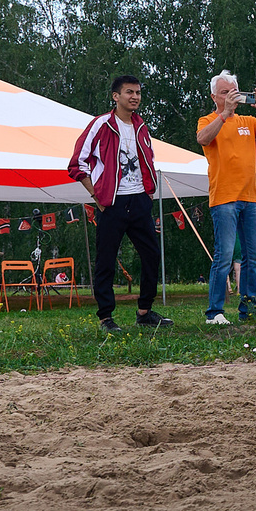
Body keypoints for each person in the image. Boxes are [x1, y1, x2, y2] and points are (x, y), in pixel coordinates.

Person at [70, 74, 168, 331]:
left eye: (138, 92)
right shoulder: (101, 124)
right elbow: (77, 163)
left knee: (151, 254)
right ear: (116, 96)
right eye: (129, 92)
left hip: (139, 200)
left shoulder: (141, 126)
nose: (134, 97)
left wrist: (149, 192)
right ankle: (106, 317)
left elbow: (148, 160)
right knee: (106, 260)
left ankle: (144, 312)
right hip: (112, 202)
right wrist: (97, 196)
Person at [195, 73, 256, 327]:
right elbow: (202, 139)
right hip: (224, 198)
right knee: (224, 256)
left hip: (250, 198)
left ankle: (248, 310)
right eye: (225, 92)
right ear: (214, 96)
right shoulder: (208, 120)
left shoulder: (248, 121)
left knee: (253, 256)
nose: (231, 96)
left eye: (234, 91)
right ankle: (214, 313)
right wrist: (224, 113)